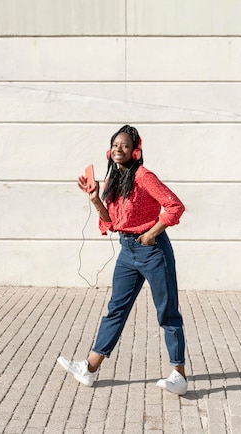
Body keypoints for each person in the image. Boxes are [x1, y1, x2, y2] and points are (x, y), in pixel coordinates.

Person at [57, 125, 188, 395]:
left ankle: (179, 375)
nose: (119, 149)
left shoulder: (143, 175)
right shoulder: (114, 179)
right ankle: (89, 370)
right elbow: (111, 222)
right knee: (116, 309)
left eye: (125, 145)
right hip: (128, 251)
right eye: (116, 144)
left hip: (152, 250)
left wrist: (152, 234)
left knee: (167, 311)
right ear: (109, 149)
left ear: (135, 150)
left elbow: (175, 206)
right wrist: (94, 199)